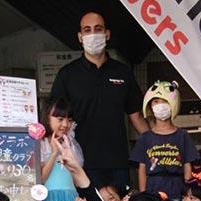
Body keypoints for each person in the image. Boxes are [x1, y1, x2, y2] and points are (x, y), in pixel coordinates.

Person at [50, 11, 149, 188]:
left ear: (107, 34)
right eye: (87, 30)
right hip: (79, 161)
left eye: (98, 29)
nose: (93, 34)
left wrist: (157, 143)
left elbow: (136, 116)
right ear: (80, 37)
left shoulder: (122, 72)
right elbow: (54, 118)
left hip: (117, 161)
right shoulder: (67, 75)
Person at [129, 80, 199, 201]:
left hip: (177, 188)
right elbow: (142, 168)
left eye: (165, 101)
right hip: (153, 189)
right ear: (150, 105)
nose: (160, 105)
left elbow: (188, 165)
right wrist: (143, 194)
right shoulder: (145, 138)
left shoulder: (183, 136)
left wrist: (188, 192)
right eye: (156, 101)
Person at [39, 97, 84, 201]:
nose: (65, 124)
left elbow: (78, 180)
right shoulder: (40, 144)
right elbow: (40, 179)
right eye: (60, 119)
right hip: (48, 198)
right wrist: (54, 154)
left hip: (70, 198)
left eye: (69, 120)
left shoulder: (72, 145)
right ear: (47, 119)